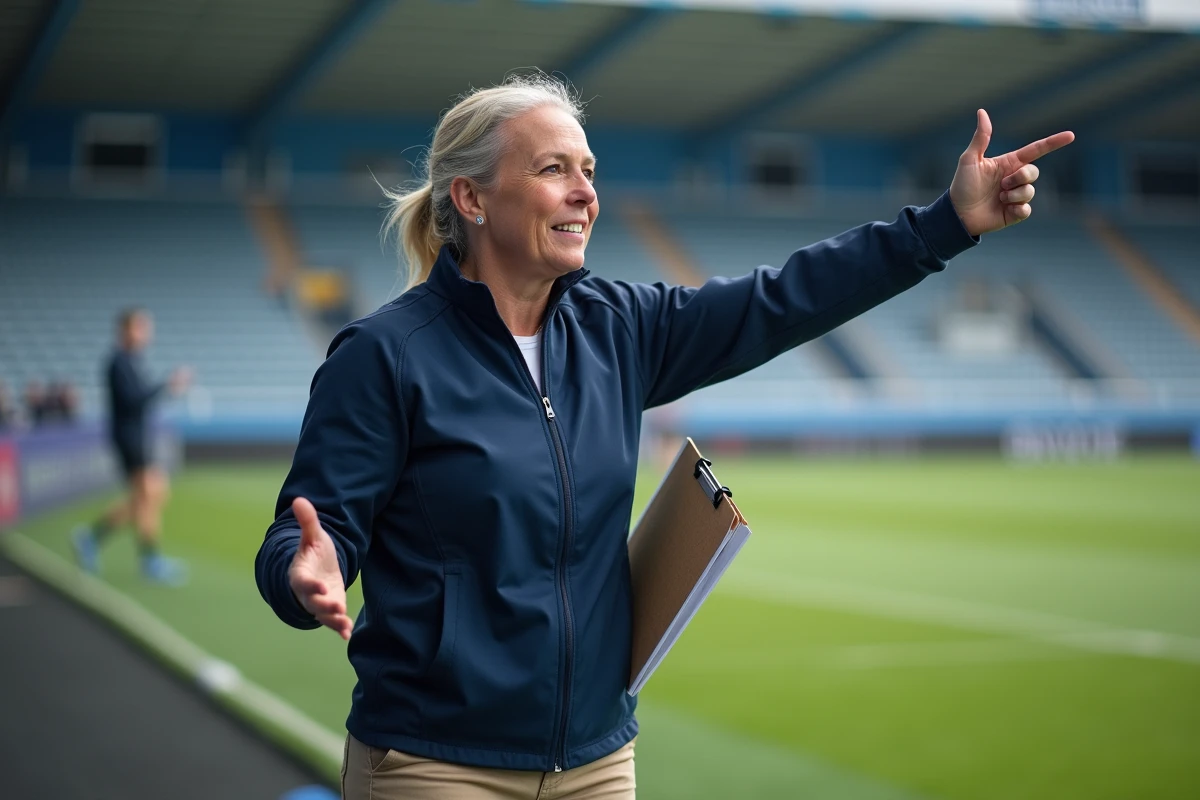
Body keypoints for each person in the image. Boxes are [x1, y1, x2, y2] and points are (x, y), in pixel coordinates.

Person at [255, 74, 1072, 799]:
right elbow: (305, 529)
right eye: (553, 170)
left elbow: (781, 300)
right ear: (471, 199)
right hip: (436, 762)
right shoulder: (385, 355)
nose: (585, 193)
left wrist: (942, 226)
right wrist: (306, 567)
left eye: (589, 172)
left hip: (598, 761)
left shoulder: (621, 328)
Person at [73, 308, 192, 585]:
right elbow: (134, 400)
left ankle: (92, 538)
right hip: (129, 439)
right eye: (141, 328)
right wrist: (166, 385)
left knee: (150, 496)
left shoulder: (130, 361)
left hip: (135, 437)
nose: (146, 334)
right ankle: (147, 559)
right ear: (126, 330)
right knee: (149, 495)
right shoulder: (118, 362)